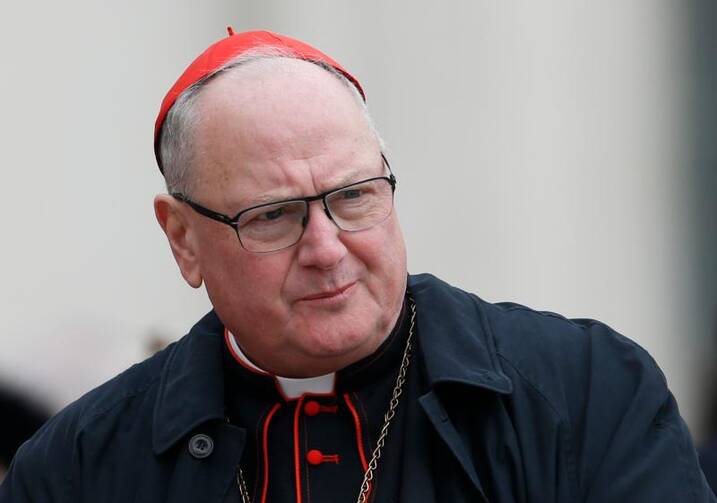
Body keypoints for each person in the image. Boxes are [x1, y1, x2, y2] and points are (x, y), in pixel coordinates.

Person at [0, 28, 714, 503]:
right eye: (272, 215)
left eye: (352, 196)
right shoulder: (77, 468)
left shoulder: (586, 392)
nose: (326, 247)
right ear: (183, 238)